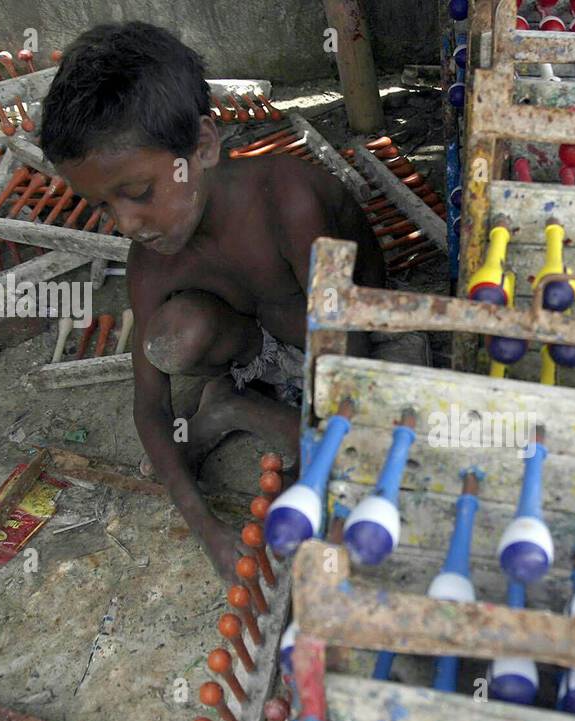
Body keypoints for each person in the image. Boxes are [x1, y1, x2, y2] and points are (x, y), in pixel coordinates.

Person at [41, 21, 427, 584]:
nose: (127, 224)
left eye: (139, 193)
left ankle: (240, 410)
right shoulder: (152, 261)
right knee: (172, 335)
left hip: (348, 341)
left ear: (202, 146)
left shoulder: (288, 201)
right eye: (101, 206)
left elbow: (347, 347)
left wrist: (316, 474)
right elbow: (149, 405)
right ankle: (252, 408)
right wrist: (207, 530)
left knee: (393, 446)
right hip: (267, 351)